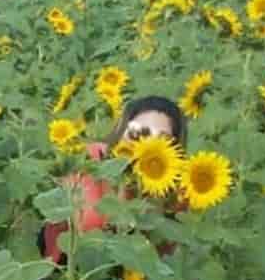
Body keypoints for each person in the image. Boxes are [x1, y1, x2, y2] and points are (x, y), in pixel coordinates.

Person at [40, 96, 188, 265]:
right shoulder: (90, 160)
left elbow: (161, 259)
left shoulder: (171, 190)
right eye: (140, 133)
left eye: (161, 139)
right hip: (67, 267)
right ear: (122, 130)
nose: (148, 145)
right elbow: (81, 227)